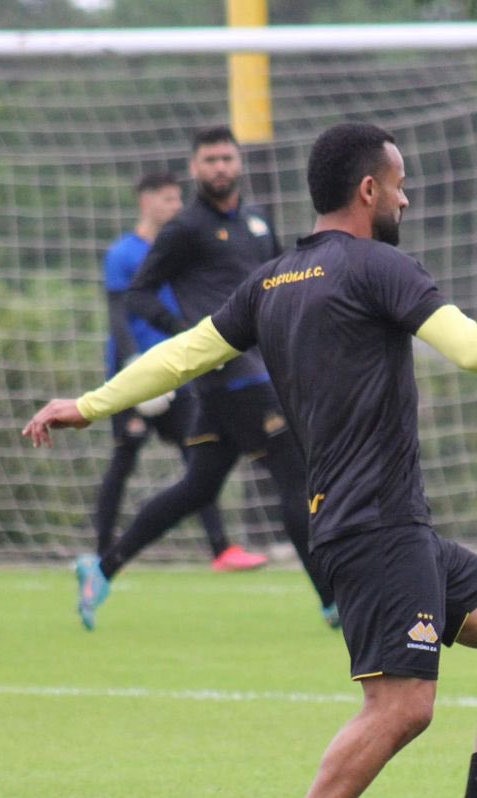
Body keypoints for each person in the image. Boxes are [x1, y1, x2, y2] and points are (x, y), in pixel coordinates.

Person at [24, 122, 477, 798]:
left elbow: (180, 355)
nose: (407, 196)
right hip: (373, 525)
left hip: (385, 524)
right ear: (368, 191)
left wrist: (91, 404)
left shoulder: (271, 279)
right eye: (401, 182)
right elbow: (473, 349)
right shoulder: (380, 267)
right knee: (402, 707)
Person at [76, 125, 337, 631]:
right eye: (210, 160)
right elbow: (139, 296)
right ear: (194, 169)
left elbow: (285, 284)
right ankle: (332, 600)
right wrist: (195, 339)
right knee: (294, 476)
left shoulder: (259, 223)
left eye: (227, 158)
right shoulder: (185, 229)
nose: (220, 167)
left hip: (256, 372)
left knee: (197, 487)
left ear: (239, 164)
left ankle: (102, 568)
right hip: (234, 377)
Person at [89, 170, 252, 570]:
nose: (176, 206)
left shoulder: (180, 246)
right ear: (146, 202)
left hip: (176, 370)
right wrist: (130, 362)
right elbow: (119, 312)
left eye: (179, 199)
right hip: (136, 376)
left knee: (196, 456)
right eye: (167, 199)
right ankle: (99, 553)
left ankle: (221, 549)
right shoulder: (123, 253)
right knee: (123, 460)